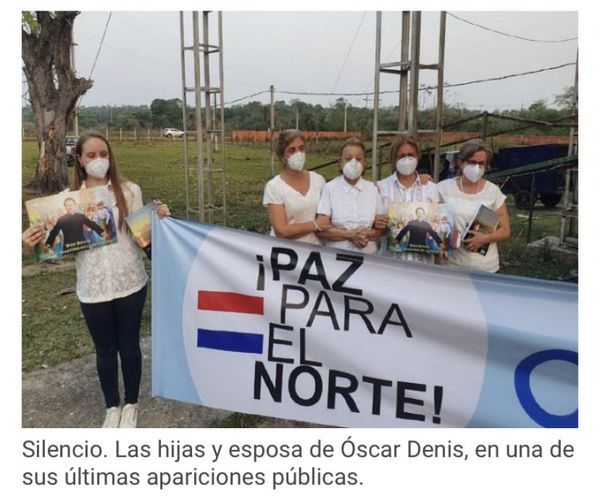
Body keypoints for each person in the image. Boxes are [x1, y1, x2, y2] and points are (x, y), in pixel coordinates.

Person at [22, 132, 171, 428]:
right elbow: (58, 243)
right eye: (91, 155)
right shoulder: (66, 201)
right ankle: (111, 407)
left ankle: (131, 404)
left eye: (103, 153)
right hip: (92, 285)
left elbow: (143, 236)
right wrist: (34, 242)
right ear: (78, 159)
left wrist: (160, 218)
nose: (99, 160)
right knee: (104, 349)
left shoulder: (129, 191)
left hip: (130, 280)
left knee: (129, 345)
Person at [437, 138, 511, 272]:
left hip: (485, 268)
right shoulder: (443, 188)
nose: (477, 167)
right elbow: (429, 218)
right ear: (461, 163)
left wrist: (485, 238)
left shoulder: (493, 191)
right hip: (451, 266)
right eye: (472, 162)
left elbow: (505, 230)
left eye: (481, 164)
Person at [375, 135, 440, 263]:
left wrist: (442, 244)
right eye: (401, 156)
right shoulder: (380, 188)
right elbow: (376, 224)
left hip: (423, 263)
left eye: (411, 155)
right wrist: (377, 223)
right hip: (390, 263)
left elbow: (435, 229)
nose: (407, 159)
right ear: (393, 159)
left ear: (418, 157)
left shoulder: (431, 188)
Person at [315, 138, 384, 254]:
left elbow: (381, 228)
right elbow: (321, 230)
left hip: (370, 261)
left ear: (364, 164)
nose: (353, 163)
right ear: (340, 163)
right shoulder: (329, 188)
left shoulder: (372, 189)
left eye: (358, 159)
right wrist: (351, 235)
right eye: (348, 159)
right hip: (336, 259)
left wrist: (367, 234)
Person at [263, 129, 330, 245]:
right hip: (287, 254)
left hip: (316, 253)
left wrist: (295, 230)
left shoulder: (319, 180)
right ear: (282, 156)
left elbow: (325, 221)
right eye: (291, 150)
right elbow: (281, 231)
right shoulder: (274, 187)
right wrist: (315, 225)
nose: (298, 154)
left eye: (301, 148)